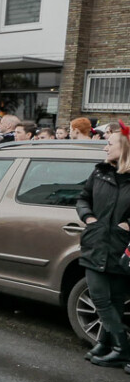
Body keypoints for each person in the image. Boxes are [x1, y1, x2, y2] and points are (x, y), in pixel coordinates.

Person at [77, 123, 130, 369]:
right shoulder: (99, 172)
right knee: (100, 297)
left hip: (120, 248)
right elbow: (83, 198)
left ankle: (109, 345)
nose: (105, 146)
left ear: (125, 149)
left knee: (116, 300)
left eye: (110, 143)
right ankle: (122, 347)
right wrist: (88, 217)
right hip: (96, 243)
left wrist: (127, 225)